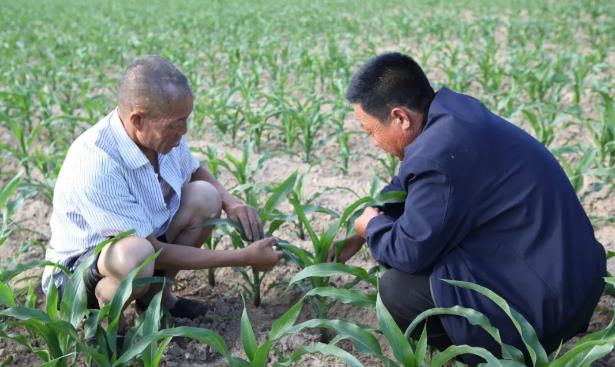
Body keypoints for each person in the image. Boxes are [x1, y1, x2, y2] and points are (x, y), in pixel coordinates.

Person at [329, 52, 606, 364]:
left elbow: (408, 251)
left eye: (370, 131)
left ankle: (488, 355)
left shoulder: (435, 155)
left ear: (400, 118)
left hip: (548, 305)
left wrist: (371, 228)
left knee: (399, 290)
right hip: (573, 279)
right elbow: (406, 186)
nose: (374, 142)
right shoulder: (452, 116)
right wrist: (361, 226)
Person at [42, 55, 283, 319]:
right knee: (135, 253)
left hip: (141, 250)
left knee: (206, 196)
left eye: (186, 119)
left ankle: (158, 302)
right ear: (138, 120)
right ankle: (102, 327)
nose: (185, 130)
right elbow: (154, 252)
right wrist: (244, 257)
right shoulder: (96, 161)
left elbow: (194, 170)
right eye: (177, 123)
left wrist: (231, 203)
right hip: (76, 277)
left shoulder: (161, 138)